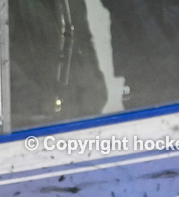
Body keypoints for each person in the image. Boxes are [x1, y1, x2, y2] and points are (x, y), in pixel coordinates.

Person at [9, 0, 108, 129]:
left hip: (83, 114)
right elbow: (1, 60)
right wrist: (41, 103)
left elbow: (83, 40)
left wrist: (95, 87)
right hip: (34, 124)